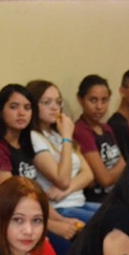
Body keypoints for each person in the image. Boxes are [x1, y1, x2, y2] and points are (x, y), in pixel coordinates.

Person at [0, 84, 79, 255]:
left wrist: (63, 220)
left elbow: (36, 197)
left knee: (83, 237)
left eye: (27, 108)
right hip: (16, 225)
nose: (21, 113)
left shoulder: (25, 146)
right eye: (14, 107)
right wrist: (53, 225)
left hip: (36, 219)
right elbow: (11, 201)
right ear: (0, 111)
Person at [26, 79, 98, 226]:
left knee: (124, 212)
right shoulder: (33, 137)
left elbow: (88, 174)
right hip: (60, 209)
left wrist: (65, 191)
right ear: (33, 105)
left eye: (58, 102)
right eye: (47, 102)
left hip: (78, 201)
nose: (54, 108)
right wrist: (67, 137)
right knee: (111, 222)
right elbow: (62, 180)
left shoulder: (57, 133)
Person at [74, 74, 126, 202]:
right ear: (80, 100)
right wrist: (118, 169)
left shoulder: (106, 128)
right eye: (93, 100)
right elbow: (104, 179)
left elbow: (124, 165)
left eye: (104, 100)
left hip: (115, 195)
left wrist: (117, 169)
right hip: (95, 199)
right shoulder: (81, 131)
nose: (99, 106)